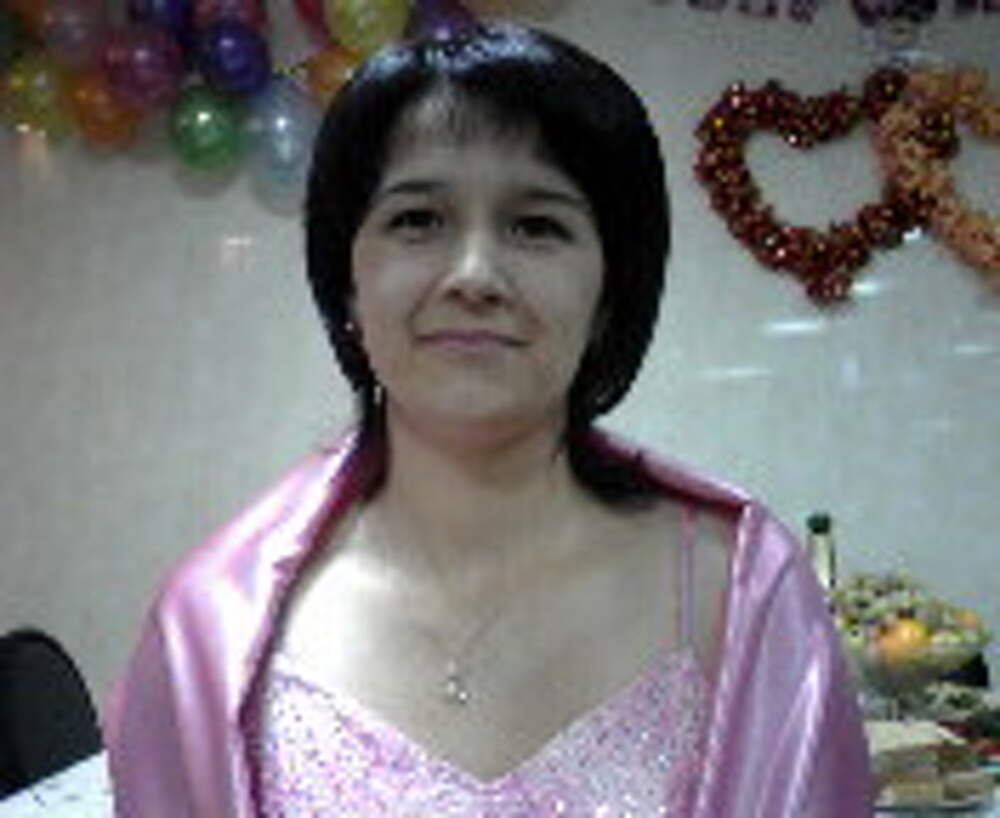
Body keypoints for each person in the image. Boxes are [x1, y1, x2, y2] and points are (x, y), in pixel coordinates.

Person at [104, 22, 872, 818]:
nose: (474, 275)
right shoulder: (213, 633)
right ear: (346, 283)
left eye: (537, 226)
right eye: (417, 220)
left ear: (609, 296)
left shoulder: (744, 595)